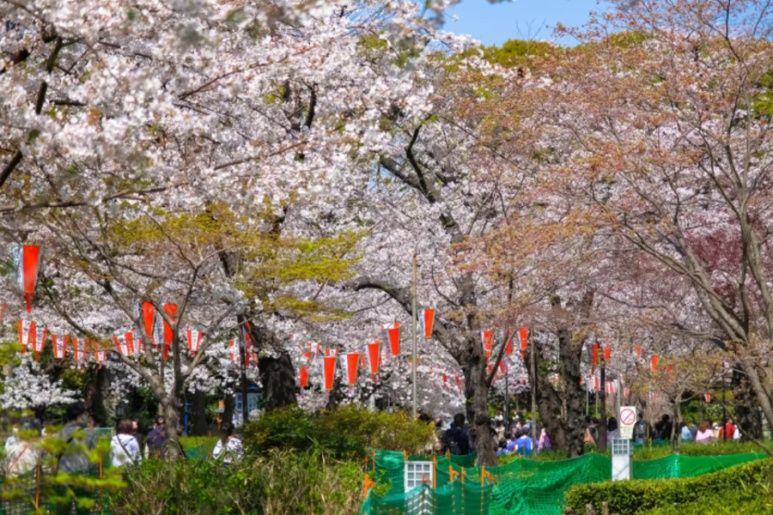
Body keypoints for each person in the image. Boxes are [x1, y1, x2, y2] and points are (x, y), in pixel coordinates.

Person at [57, 401, 96, 474]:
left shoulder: (58, 434)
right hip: (81, 477)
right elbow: (94, 460)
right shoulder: (88, 435)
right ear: (80, 417)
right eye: (85, 415)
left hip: (62, 477)